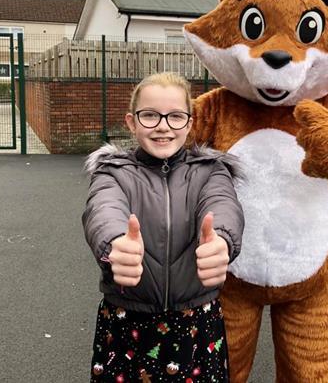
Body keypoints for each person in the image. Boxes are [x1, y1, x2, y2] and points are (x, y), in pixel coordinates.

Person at [82, 72, 244, 382]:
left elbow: (223, 205)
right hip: (126, 325)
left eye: (175, 116)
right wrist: (114, 242)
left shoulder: (211, 172)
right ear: (131, 122)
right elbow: (103, 208)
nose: (163, 126)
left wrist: (221, 240)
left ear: (190, 122)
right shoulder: (112, 172)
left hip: (196, 325)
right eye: (150, 116)